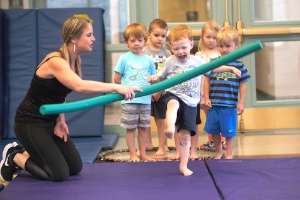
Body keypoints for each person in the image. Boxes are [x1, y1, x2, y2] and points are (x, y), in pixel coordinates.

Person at [0, 14, 139, 186]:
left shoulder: (75, 61)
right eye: (89, 35)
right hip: (30, 122)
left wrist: (61, 120)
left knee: (75, 167)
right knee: (58, 174)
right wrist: (116, 87)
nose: (93, 39)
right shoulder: (56, 61)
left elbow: (61, 95)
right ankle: (14, 155)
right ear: (74, 38)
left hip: (51, 121)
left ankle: (28, 153)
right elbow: (79, 86)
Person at [203, 27, 250, 159]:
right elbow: (206, 80)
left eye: (228, 46)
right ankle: (218, 152)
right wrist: (206, 97)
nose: (224, 49)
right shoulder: (213, 63)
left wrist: (241, 103)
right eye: (221, 46)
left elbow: (243, 84)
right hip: (214, 104)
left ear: (236, 46)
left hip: (229, 105)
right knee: (214, 130)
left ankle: (229, 153)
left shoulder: (240, 66)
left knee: (228, 131)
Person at [114, 23, 156, 162]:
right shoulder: (124, 58)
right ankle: (133, 154)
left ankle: (143, 153)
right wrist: (123, 88)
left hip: (145, 100)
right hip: (129, 100)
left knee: (143, 128)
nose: (136, 43)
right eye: (132, 40)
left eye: (140, 40)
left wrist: (155, 91)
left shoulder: (149, 60)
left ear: (145, 41)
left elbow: (153, 78)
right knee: (130, 128)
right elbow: (117, 78)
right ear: (127, 43)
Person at [195, 20, 224, 153]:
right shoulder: (199, 55)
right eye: (208, 37)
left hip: (217, 90)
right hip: (202, 90)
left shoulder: (220, 55)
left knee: (218, 115)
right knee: (209, 116)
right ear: (202, 37)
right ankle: (211, 140)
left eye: (214, 37)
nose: (211, 40)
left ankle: (221, 140)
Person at [144, 18, 171, 156]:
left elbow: (169, 73)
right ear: (149, 34)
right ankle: (147, 143)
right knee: (145, 118)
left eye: (163, 36)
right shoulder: (144, 51)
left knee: (161, 119)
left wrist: (159, 90)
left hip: (161, 91)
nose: (160, 39)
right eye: (156, 35)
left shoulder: (167, 53)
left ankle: (163, 144)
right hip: (146, 90)